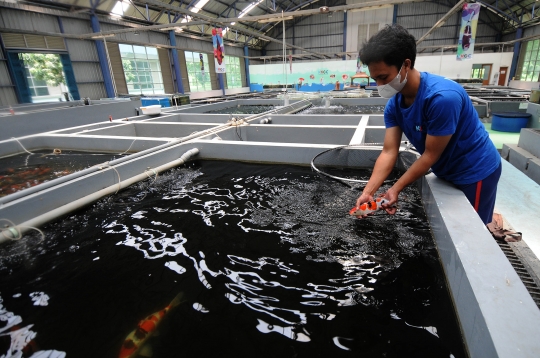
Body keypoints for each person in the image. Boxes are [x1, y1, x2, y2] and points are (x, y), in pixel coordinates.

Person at [355, 24, 501, 225]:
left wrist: (395, 189)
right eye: (375, 79)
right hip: (445, 169)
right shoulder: (394, 105)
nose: (380, 86)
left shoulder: (441, 98)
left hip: (474, 170)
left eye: (383, 77)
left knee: (472, 229)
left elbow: (431, 154)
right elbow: (389, 152)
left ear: (406, 65)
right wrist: (368, 193)